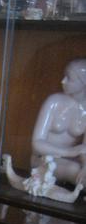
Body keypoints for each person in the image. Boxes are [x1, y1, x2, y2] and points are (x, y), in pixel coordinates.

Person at [31, 58, 86, 187]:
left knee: (80, 170)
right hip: (44, 159)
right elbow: (36, 143)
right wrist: (69, 152)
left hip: (73, 161)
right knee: (74, 170)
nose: (63, 81)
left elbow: (84, 149)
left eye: (69, 78)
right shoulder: (54, 102)